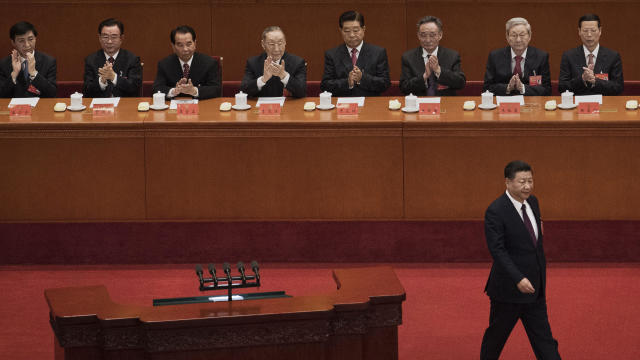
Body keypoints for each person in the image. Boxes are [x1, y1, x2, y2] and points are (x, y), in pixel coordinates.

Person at [480, 160, 561, 360]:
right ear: (508, 182)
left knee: (545, 342)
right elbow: (497, 251)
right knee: (495, 340)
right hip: (509, 291)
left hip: (535, 288)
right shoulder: (496, 210)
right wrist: (518, 278)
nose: (527, 186)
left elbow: (534, 242)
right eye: (522, 181)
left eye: (530, 181)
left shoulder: (533, 202)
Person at [320, 10, 390, 97]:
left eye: (356, 30)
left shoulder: (378, 52)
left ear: (363, 29)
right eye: (347, 31)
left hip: (370, 104)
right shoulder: (332, 54)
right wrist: (347, 82)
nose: (352, 35)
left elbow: (385, 84)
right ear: (340, 31)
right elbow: (325, 85)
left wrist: (362, 78)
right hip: (342, 105)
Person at [483, 17, 550, 96]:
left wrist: (522, 87)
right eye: (514, 35)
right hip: (503, 103)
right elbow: (487, 88)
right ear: (507, 37)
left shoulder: (541, 57)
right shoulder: (495, 56)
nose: (518, 40)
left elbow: (546, 90)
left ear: (529, 36)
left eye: (522, 35)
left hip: (531, 104)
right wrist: (508, 87)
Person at [558, 14, 623, 95]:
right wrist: (582, 79)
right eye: (585, 31)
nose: (589, 35)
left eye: (593, 30)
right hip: (576, 105)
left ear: (600, 31)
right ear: (579, 31)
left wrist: (595, 81)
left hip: (605, 105)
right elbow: (562, 87)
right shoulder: (568, 56)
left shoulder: (613, 56)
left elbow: (618, 88)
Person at [399, 16, 465, 96]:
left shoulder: (452, 56)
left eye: (432, 35)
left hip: (445, 104)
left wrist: (439, 71)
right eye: (423, 35)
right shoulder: (408, 57)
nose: (428, 40)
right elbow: (404, 88)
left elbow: (461, 83)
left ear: (440, 35)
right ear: (418, 36)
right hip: (418, 104)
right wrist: (424, 77)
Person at [152, 25, 220, 99]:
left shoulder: (209, 63)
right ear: (173, 46)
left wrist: (194, 91)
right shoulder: (164, 64)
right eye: (180, 45)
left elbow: (216, 89)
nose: (185, 49)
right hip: (173, 108)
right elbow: (156, 89)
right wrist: (173, 91)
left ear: (195, 43)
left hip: (202, 106)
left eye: (189, 44)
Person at [240, 26, 306, 98]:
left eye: (280, 43)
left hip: (288, 107)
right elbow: (243, 92)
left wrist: (284, 76)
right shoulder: (253, 63)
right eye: (271, 44)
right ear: (263, 44)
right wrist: (263, 79)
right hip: (260, 108)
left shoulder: (297, 62)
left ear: (285, 43)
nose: (276, 49)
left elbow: (302, 92)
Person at [83, 18, 142, 98]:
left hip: (124, 106)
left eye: (114, 37)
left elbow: (135, 88)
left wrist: (114, 77)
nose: (109, 41)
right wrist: (101, 81)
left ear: (121, 38)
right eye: (105, 37)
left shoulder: (132, 59)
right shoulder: (91, 60)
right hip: (100, 107)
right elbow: (86, 91)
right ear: (99, 38)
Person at [0, 21, 56, 98]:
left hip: (40, 107)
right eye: (21, 41)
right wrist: (14, 75)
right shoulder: (4, 64)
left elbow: (53, 94)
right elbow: (1, 95)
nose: (27, 45)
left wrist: (34, 73)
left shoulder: (48, 61)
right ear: (13, 42)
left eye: (30, 39)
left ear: (35, 39)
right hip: (13, 109)